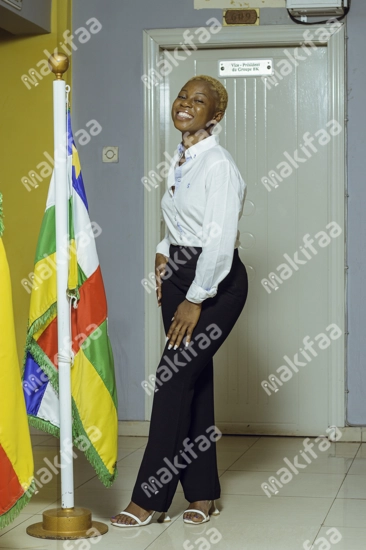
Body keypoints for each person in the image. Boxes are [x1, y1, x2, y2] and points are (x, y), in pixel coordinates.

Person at [111, 75, 248, 527]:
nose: (186, 104)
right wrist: (163, 249)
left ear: (216, 116)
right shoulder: (183, 158)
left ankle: (149, 499)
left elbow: (220, 240)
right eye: (183, 97)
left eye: (199, 101)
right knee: (194, 381)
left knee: (171, 381)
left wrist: (194, 298)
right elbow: (181, 222)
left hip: (214, 282)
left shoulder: (219, 165)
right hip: (180, 275)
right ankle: (204, 494)